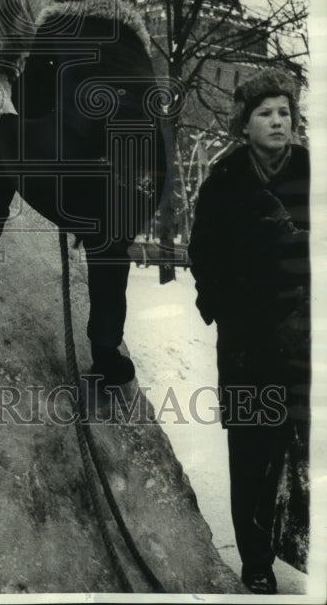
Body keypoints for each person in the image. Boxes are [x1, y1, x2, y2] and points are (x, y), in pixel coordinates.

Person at [0, 0, 169, 385]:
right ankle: (106, 350)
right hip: (141, 186)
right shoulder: (137, 47)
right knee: (110, 242)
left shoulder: (59, 24)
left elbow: (30, 104)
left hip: (78, 173)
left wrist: (25, 67)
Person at [189, 68, 310, 595]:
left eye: (284, 112)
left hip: (305, 338)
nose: (278, 121)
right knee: (250, 449)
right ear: (245, 124)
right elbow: (203, 253)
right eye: (266, 113)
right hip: (246, 341)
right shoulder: (224, 180)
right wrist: (225, 305)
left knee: (305, 447)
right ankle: (257, 559)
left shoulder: (313, 171)